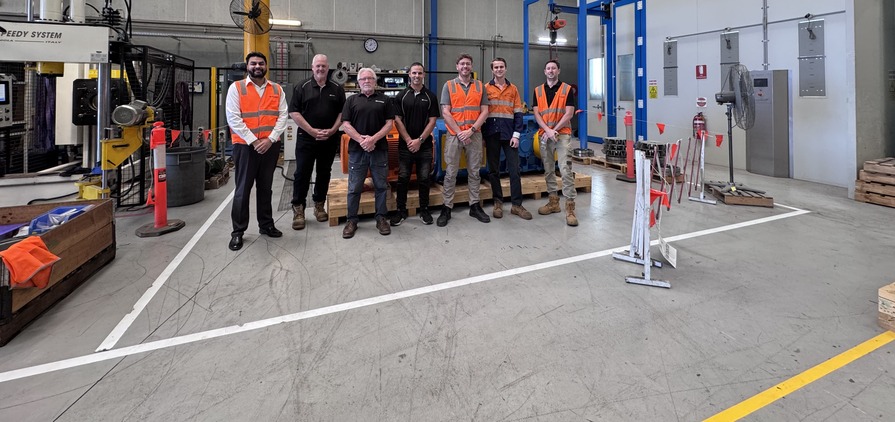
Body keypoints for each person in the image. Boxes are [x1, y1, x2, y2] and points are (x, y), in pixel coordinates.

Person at [225, 52, 289, 251]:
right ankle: (238, 232)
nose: (257, 66)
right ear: (247, 67)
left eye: (261, 63)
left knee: (266, 187)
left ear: (266, 66)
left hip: (270, 146)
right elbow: (233, 118)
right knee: (243, 190)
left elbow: (283, 116)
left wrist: (269, 140)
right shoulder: (236, 88)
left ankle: (266, 224)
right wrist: (254, 141)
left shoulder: (277, 89)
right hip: (245, 147)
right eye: (253, 63)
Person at [288, 54, 345, 230]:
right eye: (317, 66)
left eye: (323, 66)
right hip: (307, 138)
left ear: (328, 68)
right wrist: (312, 131)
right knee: (302, 173)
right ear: (312, 68)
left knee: (324, 172)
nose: (320, 69)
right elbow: (294, 113)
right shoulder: (302, 87)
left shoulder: (337, 88)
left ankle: (319, 205)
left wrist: (333, 130)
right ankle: (299, 209)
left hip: (329, 139)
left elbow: (342, 114)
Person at [341, 68, 395, 238]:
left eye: (370, 78)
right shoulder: (351, 101)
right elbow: (346, 124)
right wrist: (362, 140)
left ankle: (381, 218)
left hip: (379, 151)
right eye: (363, 79)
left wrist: (373, 140)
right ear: (358, 82)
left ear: (375, 80)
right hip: (357, 152)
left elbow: (389, 124)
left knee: (380, 186)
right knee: (354, 187)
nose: (366, 81)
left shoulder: (385, 100)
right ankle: (352, 220)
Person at [438, 53, 490, 227]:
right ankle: (447, 207)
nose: (465, 66)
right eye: (462, 64)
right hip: (454, 135)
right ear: (457, 67)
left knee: (474, 171)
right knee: (451, 172)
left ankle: (474, 205)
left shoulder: (480, 86)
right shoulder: (449, 86)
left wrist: (471, 130)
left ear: (471, 66)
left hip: (474, 135)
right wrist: (461, 132)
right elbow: (445, 112)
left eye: (468, 64)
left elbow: (485, 111)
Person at [390, 62, 440, 226]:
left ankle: (424, 210)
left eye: (420, 73)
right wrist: (409, 141)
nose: (417, 76)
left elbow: (433, 121)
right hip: (405, 146)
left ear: (424, 75)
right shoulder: (401, 96)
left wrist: (419, 140)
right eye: (414, 73)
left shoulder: (431, 96)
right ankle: (401, 211)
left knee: (424, 178)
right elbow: (397, 120)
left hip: (424, 146)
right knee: (403, 178)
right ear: (409, 75)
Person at [482, 57, 532, 220]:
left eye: (501, 67)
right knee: (493, 170)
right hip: (491, 134)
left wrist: (517, 135)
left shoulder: (513, 89)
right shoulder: (486, 88)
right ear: (492, 70)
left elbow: (518, 113)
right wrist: (483, 136)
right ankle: (498, 202)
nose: (498, 69)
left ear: (506, 69)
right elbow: (482, 113)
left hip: (510, 135)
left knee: (514, 170)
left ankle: (517, 205)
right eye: (496, 67)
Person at [533, 59, 579, 226]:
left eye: (553, 68)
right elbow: (537, 114)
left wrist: (554, 130)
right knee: (548, 170)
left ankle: (570, 208)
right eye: (548, 68)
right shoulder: (537, 91)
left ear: (558, 71)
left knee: (565, 170)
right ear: (545, 71)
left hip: (562, 134)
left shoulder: (567, 89)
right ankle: (553, 203)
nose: (550, 71)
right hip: (545, 135)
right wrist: (547, 130)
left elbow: (569, 113)